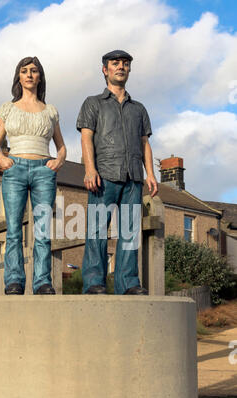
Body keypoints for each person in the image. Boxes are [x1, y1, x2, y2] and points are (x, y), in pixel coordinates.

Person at [76, 50, 158, 295]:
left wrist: (150, 174)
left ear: (129, 70)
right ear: (105, 70)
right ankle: (94, 283)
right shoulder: (93, 103)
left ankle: (128, 284)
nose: (121, 67)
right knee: (97, 232)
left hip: (133, 178)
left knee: (130, 233)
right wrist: (90, 169)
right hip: (104, 176)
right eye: (115, 63)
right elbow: (86, 137)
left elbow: (144, 143)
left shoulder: (139, 109)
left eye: (125, 64)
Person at [0, 56, 66, 295]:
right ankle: (14, 280)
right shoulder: (8, 108)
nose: (29, 75)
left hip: (43, 170)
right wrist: (3, 160)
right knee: (13, 229)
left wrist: (57, 162)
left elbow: (62, 146)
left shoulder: (50, 111)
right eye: (24, 71)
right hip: (15, 169)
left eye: (34, 71)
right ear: (19, 77)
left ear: (40, 76)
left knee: (42, 229)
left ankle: (42, 281)